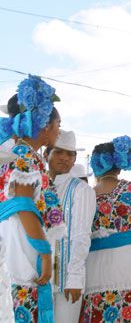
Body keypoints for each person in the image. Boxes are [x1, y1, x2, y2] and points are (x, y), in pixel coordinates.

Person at [0, 75, 64, 322]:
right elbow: (24, 206)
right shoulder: (25, 156)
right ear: (45, 125)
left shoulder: (14, 152)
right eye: (58, 124)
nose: (59, 130)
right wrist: (45, 252)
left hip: (14, 241)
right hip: (24, 247)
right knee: (26, 307)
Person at [81, 135, 131, 322]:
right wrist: (125, 240)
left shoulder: (87, 195)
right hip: (129, 263)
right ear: (120, 165)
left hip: (95, 267)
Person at [44, 130, 96, 322]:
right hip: (37, 277)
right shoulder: (36, 186)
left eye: (70, 154)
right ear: (46, 154)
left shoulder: (81, 190)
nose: (65, 158)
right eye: (59, 152)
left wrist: (74, 277)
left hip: (66, 279)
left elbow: (81, 235)